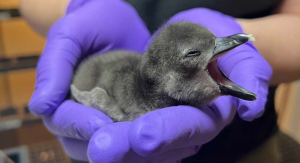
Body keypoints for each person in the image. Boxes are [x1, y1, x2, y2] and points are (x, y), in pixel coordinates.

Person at [20, 0, 300, 162]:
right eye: (194, 54)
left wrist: (257, 43)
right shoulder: (129, 92)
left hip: (244, 151)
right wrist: (80, 6)